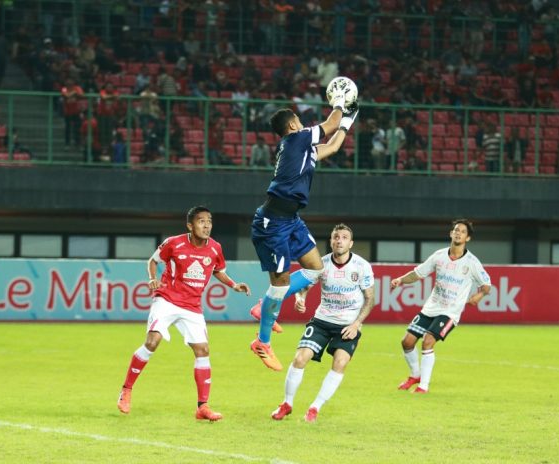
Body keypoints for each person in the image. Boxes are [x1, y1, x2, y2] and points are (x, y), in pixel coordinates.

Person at [248, 85, 360, 371]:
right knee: (280, 284)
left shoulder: (303, 149)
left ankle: (265, 306)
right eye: (299, 119)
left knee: (314, 268)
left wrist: (349, 118)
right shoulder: (296, 139)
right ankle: (262, 341)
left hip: (291, 219)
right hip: (272, 222)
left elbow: (334, 143)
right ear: (293, 124)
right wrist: (340, 102)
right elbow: (330, 124)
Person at [117, 206, 251, 421]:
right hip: (167, 300)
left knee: (203, 350)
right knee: (152, 342)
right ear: (190, 225)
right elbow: (153, 260)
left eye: (209, 221)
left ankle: (202, 407)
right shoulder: (174, 243)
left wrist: (233, 285)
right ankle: (126, 390)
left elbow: (218, 270)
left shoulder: (215, 248)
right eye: (201, 221)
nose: (206, 225)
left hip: (192, 306)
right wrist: (152, 278)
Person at [270, 223, 374, 423]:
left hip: (348, 324)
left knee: (340, 362)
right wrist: (300, 298)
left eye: (344, 237)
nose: (339, 240)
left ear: (350, 243)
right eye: (336, 236)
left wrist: (356, 324)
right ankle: (287, 403)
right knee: (300, 359)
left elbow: (370, 299)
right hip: (322, 321)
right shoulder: (321, 263)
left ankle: (315, 407)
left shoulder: (362, 267)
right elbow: (305, 286)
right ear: (331, 241)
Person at [391, 219, 491, 394]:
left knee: (428, 341)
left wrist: (479, 295)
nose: (458, 233)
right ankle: (415, 375)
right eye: (455, 230)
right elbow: (418, 273)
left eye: (462, 231)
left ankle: (424, 386)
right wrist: (400, 280)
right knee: (406, 342)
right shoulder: (438, 256)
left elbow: (486, 284)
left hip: (450, 313)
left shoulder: (472, 262)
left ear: (467, 238)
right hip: (431, 308)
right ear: (451, 234)